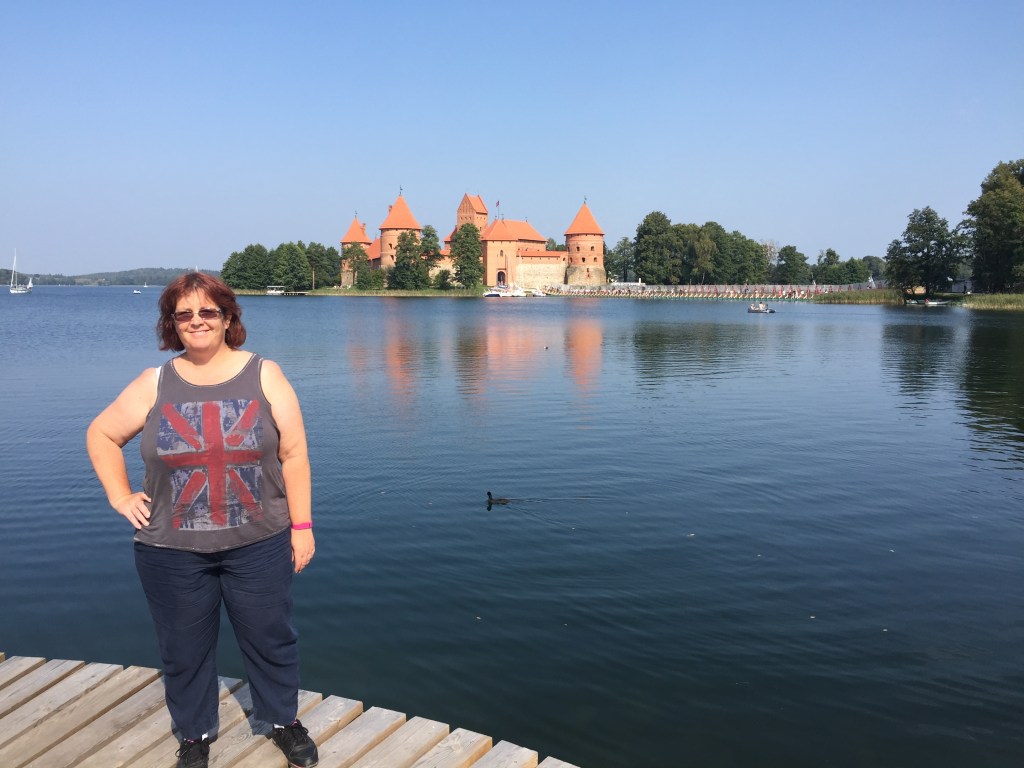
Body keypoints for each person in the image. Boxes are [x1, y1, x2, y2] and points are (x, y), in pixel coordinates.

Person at [87, 272, 318, 768]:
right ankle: (195, 735)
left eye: (208, 311)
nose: (197, 321)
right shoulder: (154, 382)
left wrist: (302, 527)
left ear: (228, 317)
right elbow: (101, 434)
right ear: (171, 323)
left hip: (259, 543)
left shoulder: (265, 374)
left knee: (271, 638)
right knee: (183, 649)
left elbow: (295, 454)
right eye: (184, 314)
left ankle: (283, 720)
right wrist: (120, 495)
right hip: (170, 551)